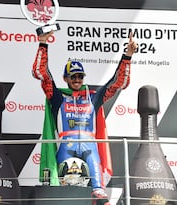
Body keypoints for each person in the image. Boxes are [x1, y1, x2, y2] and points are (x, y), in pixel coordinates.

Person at [32, 31, 138, 205]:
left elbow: (118, 83)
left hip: (90, 146)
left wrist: (127, 56)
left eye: (80, 76)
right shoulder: (58, 97)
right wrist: (43, 44)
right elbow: (42, 74)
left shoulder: (94, 97)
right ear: (65, 78)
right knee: (65, 191)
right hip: (66, 146)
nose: (77, 79)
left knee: (99, 191)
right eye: (73, 76)